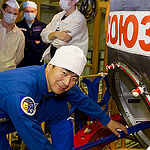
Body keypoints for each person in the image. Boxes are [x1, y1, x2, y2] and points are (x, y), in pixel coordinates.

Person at [0, 45, 128, 150]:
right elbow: (33, 137)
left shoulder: (60, 84)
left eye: (74, 78)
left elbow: (83, 100)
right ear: (50, 66)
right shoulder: (20, 92)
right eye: (64, 73)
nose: (67, 82)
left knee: (58, 106)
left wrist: (107, 120)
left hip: (14, 116)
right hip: (8, 116)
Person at [16, 1, 49, 67]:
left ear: (36, 12)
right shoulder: (17, 26)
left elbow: (44, 43)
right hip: (21, 62)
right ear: (23, 12)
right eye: (27, 11)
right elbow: (17, 43)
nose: (29, 13)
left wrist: (26, 42)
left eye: (32, 11)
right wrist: (35, 42)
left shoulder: (43, 27)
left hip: (37, 61)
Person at [0, 0, 25, 72]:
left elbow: (19, 57)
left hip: (9, 72)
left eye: (15, 14)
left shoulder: (19, 35)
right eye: (9, 12)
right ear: (3, 11)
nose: (12, 16)